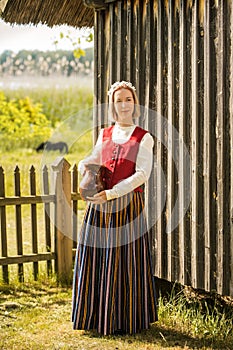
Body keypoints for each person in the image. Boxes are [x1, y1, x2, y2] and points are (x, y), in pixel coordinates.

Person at [72, 81, 158, 335]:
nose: (124, 105)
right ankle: (96, 315)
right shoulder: (105, 134)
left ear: (135, 104)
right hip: (99, 205)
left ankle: (124, 318)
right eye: (118, 100)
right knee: (97, 257)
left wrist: (112, 194)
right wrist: (83, 166)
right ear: (112, 105)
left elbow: (142, 174)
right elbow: (95, 158)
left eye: (128, 99)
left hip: (126, 205)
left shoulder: (144, 137)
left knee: (124, 260)